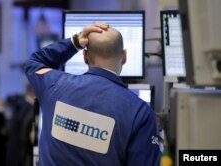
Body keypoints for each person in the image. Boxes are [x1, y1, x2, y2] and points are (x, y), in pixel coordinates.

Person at [25, 23, 161, 166]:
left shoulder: (54, 84)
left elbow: (34, 62)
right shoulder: (140, 112)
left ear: (84, 56)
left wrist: (75, 42)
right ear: (124, 57)